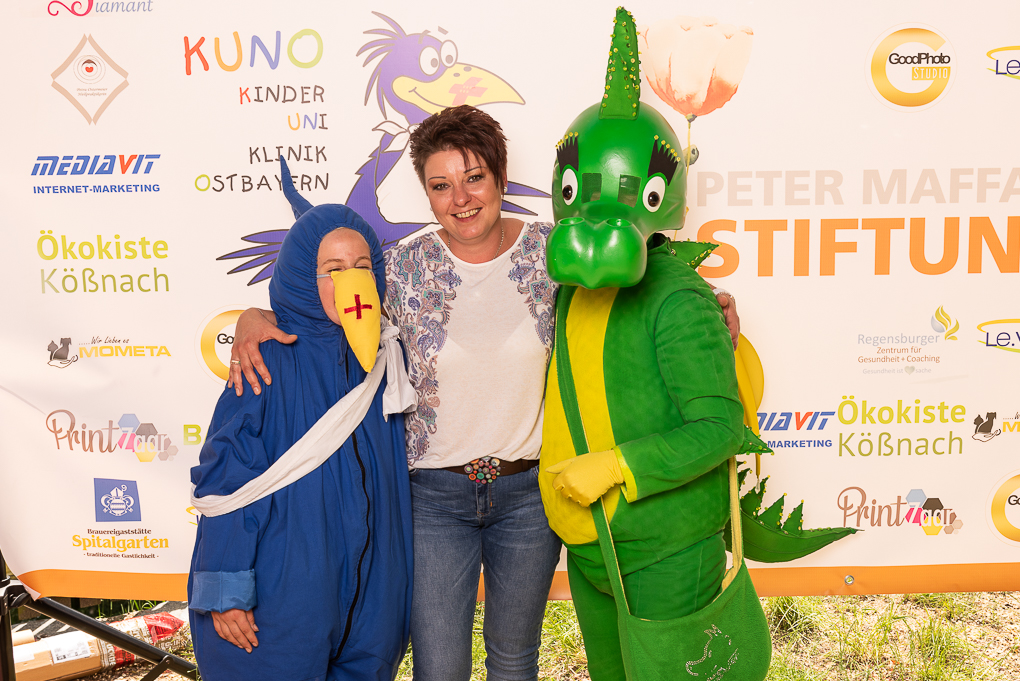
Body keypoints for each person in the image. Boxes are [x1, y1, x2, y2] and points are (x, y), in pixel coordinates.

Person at [228, 105, 741, 681]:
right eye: (441, 185)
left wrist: (710, 301)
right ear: (426, 194)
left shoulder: (559, 255)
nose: (461, 198)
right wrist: (253, 316)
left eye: (474, 178)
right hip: (431, 498)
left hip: (529, 495)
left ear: (500, 177)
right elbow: (322, 311)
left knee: (515, 658)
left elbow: (645, 283)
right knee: (440, 667)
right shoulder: (399, 268)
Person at [188, 201, 414, 681]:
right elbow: (228, 479)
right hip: (281, 601)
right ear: (298, 277)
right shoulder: (263, 357)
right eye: (332, 270)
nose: (350, 282)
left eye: (362, 267)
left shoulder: (388, 358)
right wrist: (226, 592)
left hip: (371, 600)